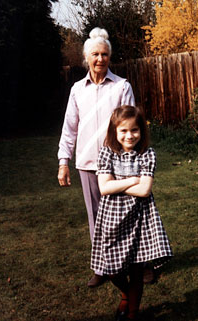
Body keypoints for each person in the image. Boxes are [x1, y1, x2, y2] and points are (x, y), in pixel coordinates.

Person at [57, 27, 135, 288]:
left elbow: (131, 125)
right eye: (95, 54)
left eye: (104, 54)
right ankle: (101, 268)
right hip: (88, 165)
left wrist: (129, 161)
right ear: (86, 58)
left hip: (117, 166)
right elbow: (69, 128)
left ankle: (135, 264)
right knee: (96, 219)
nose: (100, 59)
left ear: (109, 56)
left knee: (125, 216)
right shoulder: (78, 90)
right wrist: (63, 162)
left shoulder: (122, 86)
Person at [91, 105, 173, 321]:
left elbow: (145, 190)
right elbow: (104, 188)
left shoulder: (147, 154)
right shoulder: (106, 152)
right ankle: (126, 295)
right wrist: (132, 181)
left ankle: (132, 313)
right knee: (112, 269)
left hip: (140, 218)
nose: (129, 136)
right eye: (124, 131)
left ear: (141, 131)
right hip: (112, 217)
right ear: (115, 132)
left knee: (137, 268)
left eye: (134, 130)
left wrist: (117, 183)